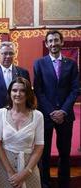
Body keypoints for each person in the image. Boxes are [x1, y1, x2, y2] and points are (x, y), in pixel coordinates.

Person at [33, 30, 80, 188]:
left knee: (65, 153)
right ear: (46, 44)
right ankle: (44, 183)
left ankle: (64, 183)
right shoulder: (39, 63)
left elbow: (75, 90)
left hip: (66, 116)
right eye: (50, 41)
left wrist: (63, 110)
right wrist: (51, 111)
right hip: (46, 115)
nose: (53, 44)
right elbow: (38, 90)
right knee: (44, 153)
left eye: (56, 40)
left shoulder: (71, 64)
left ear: (62, 42)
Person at [0, 41, 30, 187]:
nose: (7, 56)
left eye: (10, 53)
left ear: (14, 55)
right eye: (4, 53)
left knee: (18, 152)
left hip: (20, 120)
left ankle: (18, 182)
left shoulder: (23, 72)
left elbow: (28, 96)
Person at [0, 77, 44, 188]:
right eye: (14, 90)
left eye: (22, 90)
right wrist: (10, 171)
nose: (18, 94)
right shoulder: (0, 113)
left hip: (29, 167)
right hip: (5, 167)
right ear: (10, 93)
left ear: (28, 94)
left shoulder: (38, 116)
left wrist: (25, 173)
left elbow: (39, 146)